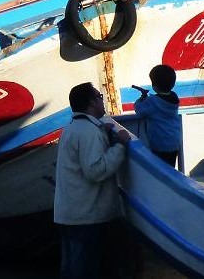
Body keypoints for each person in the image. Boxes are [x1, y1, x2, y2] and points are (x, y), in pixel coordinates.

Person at [54, 82, 131, 279]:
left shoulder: (73, 128)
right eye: (99, 97)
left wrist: (103, 133)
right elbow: (95, 171)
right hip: (85, 218)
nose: (102, 101)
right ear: (91, 103)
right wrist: (120, 146)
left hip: (71, 214)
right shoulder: (88, 131)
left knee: (73, 268)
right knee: (84, 270)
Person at [134, 64, 182, 167]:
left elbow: (139, 110)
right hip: (174, 142)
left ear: (154, 85)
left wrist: (141, 98)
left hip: (160, 144)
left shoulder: (153, 101)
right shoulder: (174, 98)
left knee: (159, 169)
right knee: (170, 169)